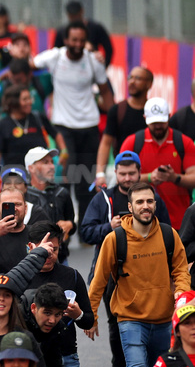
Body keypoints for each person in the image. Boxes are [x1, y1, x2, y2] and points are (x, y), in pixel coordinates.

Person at [86, 182, 190, 367]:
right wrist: (91, 317)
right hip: (130, 319)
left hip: (164, 319)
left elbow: (181, 270)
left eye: (150, 201)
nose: (146, 206)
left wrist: (181, 294)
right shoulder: (115, 239)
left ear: (155, 204)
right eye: (140, 202)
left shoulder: (169, 235)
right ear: (130, 207)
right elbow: (98, 281)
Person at [33, 22, 112, 224]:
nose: (77, 44)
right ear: (66, 40)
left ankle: (87, 228)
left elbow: (104, 91)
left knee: (87, 179)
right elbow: (30, 65)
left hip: (89, 126)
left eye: (81, 40)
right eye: (73, 40)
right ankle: (62, 226)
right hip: (63, 128)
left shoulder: (94, 61)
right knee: (65, 178)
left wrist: (114, 119)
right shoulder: (55, 57)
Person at [115, 96, 195, 225]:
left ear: (169, 117)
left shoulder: (184, 142)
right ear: (145, 118)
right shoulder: (133, 142)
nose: (158, 126)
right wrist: (150, 177)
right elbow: (122, 178)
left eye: (161, 122)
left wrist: (174, 178)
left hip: (179, 221)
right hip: (141, 223)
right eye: (154, 123)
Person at [94, 66, 153, 185]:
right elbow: (106, 143)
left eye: (138, 78)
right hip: (124, 175)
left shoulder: (153, 112)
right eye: (130, 78)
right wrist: (100, 174)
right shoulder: (118, 110)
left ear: (149, 84)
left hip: (150, 176)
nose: (132, 82)